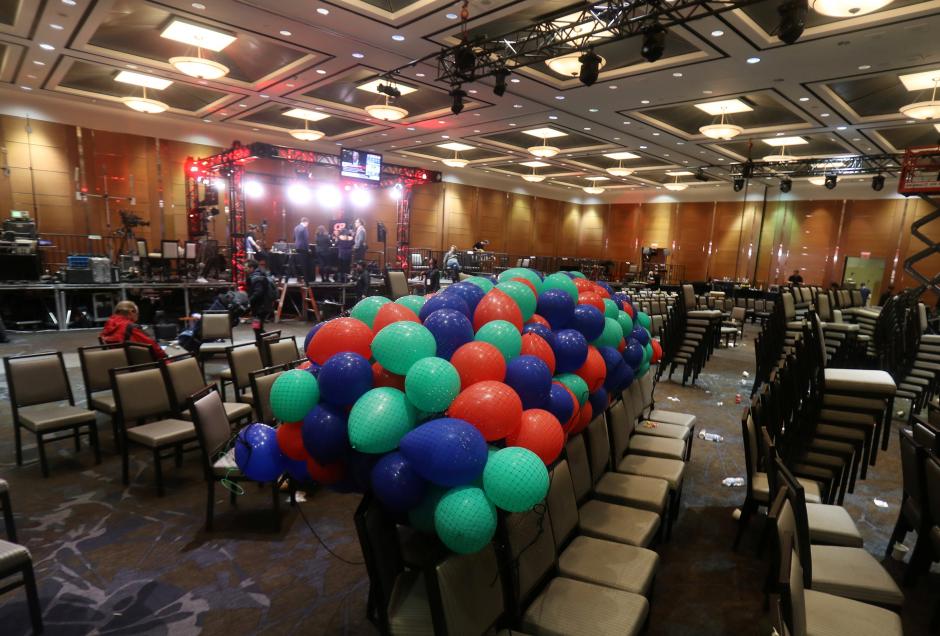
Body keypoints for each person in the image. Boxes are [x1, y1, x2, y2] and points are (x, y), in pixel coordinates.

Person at [100, 300, 166, 359]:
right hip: (140, 365)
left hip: (119, 361)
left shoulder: (109, 324)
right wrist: (165, 355)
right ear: (132, 312)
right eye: (137, 313)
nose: (138, 315)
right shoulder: (130, 327)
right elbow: (154, 348)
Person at [246, 259, 276, 341]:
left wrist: (249, 301)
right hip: (262, 307)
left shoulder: (257, 278)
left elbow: (258, 292)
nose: (245, 269)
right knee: (257, 327)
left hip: (261, 309)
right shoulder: (260, 275)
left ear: (252, 268)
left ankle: (270, 341)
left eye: (247, 267)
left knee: (257, 328)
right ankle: (262, 344)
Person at [293, 217, 311, 282]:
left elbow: (294, 238)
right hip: (303, 248)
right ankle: (306, 279)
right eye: (308, 223)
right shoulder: (304, 228)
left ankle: (298, 278)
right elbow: (306, 239)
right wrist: (308, 248)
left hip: (297, 247)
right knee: (304, 264)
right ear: (306, 222)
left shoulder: (296, 227)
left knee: (298, 263)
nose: (307, 225)